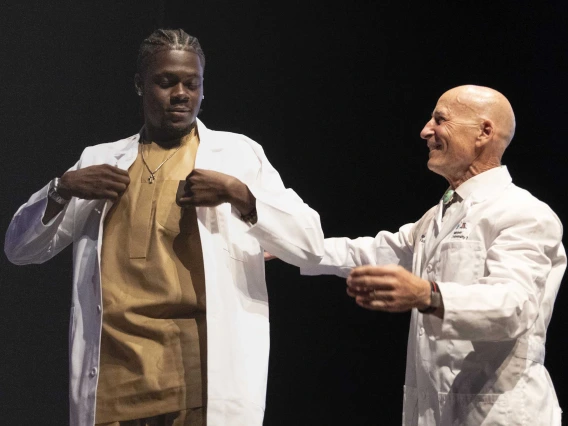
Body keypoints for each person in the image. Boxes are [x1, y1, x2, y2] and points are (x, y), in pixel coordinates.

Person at [4, 28, 324, 426]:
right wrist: (61, 189)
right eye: (166, 82)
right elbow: (20, 250)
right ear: (140, 85)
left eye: (192, 83)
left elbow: (310, 244)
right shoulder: (100, 160)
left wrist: (241, 195)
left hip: (197, 381)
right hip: (112, 381)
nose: (181, 94)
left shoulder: (237, 155)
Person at [298, 85, 566, 425]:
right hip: (434, 412)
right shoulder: (437, 215)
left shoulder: (524, 212)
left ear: (484, 132)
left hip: (500, 413)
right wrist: (290, 245)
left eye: (440, 120)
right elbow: (373, 251)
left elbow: (513, 305)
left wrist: (428, 295)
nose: (426, 131)